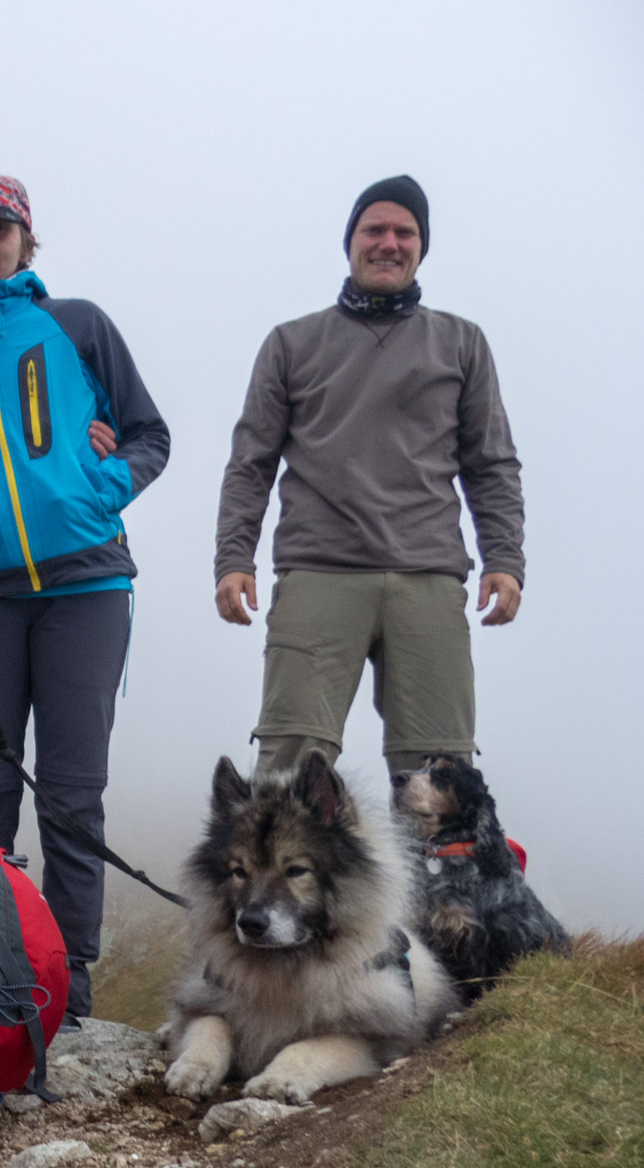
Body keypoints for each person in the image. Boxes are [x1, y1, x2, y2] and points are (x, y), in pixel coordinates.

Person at [0, 174, 170, 1024]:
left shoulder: (76, 324)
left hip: (86, 587)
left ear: (26, 239)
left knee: (70, 792)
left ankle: (74, 985)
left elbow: (149, 433)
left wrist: (101, 488)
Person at [214, 175, 524, 778]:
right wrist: (233, 560)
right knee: (289, 765)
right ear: (350, 242)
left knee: (440, 777)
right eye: (373, 230)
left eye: (403, 231)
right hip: (319, 572)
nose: (388, 242)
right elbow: (250, 464)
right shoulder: (291, 343)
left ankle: (440, 880)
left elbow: (491, 464)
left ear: (421, 246)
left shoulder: (461, 343)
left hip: (428, 577)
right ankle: (270, 879)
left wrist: (505, 560)